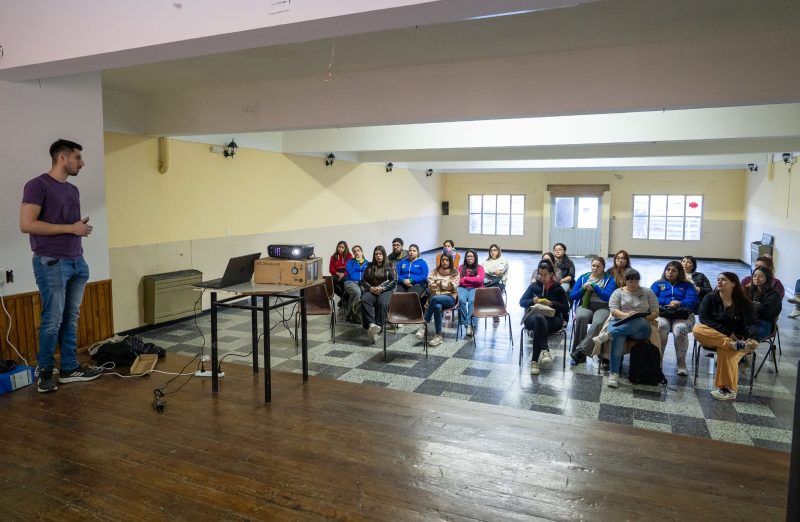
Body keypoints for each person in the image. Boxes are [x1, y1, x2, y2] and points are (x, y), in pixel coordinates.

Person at [20, 139, 102, 393]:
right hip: (51, 262)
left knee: (70, 318)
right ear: (62, 158)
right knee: (52, 320)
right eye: (78, 157)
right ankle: (45, 372)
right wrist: (71, 228)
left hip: (77, 261)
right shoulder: (37, 185)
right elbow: (27, 224)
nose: (82, 162)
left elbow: (70, 227)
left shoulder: (72, 190)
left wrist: (76, 230)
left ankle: (69, 368)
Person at [692, 272, 760, 401]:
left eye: (723, 279)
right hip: (716, 336)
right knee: (697, 329)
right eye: (718, 279)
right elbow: (704, 319)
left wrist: (755, 339)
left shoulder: (744, 302)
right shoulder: (710, 297)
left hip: (739, 339)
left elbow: (751, 324)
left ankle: (728, 390)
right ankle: (730, 344)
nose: (719, 281)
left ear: (733, 283)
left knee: (726, 351)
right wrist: (727, 334)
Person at [605, 268, 659, 388]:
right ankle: (614, 374)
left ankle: (609, 333)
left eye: (636, 281)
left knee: (639, 320)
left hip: (642, 327)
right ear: (625, 281)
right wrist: (627, 315)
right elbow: (614, 311)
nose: (633, 284)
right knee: (618, 337)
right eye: (630, 281)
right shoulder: (618, 292)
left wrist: (642, 317)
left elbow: (655, 312)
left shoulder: (648, 292)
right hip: (621, 322)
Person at [519, 260, 569, 375]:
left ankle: (534, 362)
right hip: (532, 317)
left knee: (540, 326)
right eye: (540, 274)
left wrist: (551, 303)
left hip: (553, 319)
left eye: (545, 275)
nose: (542, 277)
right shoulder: (534, 286)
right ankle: (545, 350)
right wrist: (532, 301)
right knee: (539, 320)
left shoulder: (558, 288)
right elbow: (522, 302)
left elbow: (566, 308)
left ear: (551, 274)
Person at [650, 261, 698, 376]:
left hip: (682, 314)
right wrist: (668, 301)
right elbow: (651, 298)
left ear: (679, 272)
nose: (670, 273)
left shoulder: (687, 285)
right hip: (663, 313)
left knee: (680, 329)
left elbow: (693, 300)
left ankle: (681, 363)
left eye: (673, 271)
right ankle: (658, 359)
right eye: (668, 270)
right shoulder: (658, 284)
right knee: (661, 326)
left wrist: (680, 303)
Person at [569, 256, 616, 364]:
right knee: (581, 317)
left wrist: (596, 288)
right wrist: (582, 289)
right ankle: (580, 354)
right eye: (593, 266)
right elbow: (572, 296)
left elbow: (608, 297)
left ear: (603, 267)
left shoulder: (610, 279)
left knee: (598, 323)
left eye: (598, 266)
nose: (595, 268)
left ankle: (579, 351)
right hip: (586, 305)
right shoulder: (583, 277)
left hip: (603, 307)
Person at [416, 254, 459, 347]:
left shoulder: (455, 272)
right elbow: (431, 286)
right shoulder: (435, 271)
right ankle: (438, 336)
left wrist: (438, 283)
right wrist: (445, 284)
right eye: (443, 260)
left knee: (435, 299)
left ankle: (424, 324)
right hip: (436, 297)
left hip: (450, 298)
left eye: (447, 260)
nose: (444, 262)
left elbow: (454, 286)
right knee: (437, 306)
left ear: (450, 261)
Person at [360, 246, 397, 343]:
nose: (378, 256)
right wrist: (370, 288)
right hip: (372, 289)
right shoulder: (370, 265)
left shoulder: (390, 265)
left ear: (384, 255)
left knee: (382, 302)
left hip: (386, 290)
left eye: (380, 254)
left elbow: (394, 281)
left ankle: (379, 327)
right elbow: (363, 281)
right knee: (365, 299)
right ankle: (372, 325)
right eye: (376, 254)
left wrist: (382, 288)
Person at [744, 266, 782, 339]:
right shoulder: (749, 291)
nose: (756, 278)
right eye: (754, 276)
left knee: (743, 334)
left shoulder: (774, 295)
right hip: (747, 321)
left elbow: (766, 313)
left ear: (767, 278)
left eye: (761, 276)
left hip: (763, 324)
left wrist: (748, 306)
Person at [457, 249, 484, 337]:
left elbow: (479, 280)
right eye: (468, 256)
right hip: (463, 288)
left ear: (475, 257)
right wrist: (473, 279)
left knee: (472, 301)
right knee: (461, 300)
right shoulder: (461, 267)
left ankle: (469, 324)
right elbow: (458, 280)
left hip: (476, 288)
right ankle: (468, 324)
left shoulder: (480, 268)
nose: (469, 258)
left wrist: (465, 278)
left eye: (471, 256)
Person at [482, 244, 509, 324]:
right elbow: (483, 270)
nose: (493, 252)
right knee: (479, 290)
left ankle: (495, 313)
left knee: (494, 291)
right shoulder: (485, 261)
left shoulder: (503, 261)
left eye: (495, 250)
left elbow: (499, 272)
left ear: (498, 251)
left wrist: (489, 271)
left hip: (499, 283)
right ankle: (483, 309)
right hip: (488, 282)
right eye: (491, 250)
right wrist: (493, 271)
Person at [343, 245, 368, 324]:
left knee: (366, 294)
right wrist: (360, 274)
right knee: (357, 292)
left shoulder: (367, 263)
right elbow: (351, 273)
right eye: (354, 251)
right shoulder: (350, 262)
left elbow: (368, 274)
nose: (356, 252)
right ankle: (349, 315)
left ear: (361, 252)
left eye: (358, 250)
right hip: (350, 282)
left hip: (362, 283)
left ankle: (358, 314)